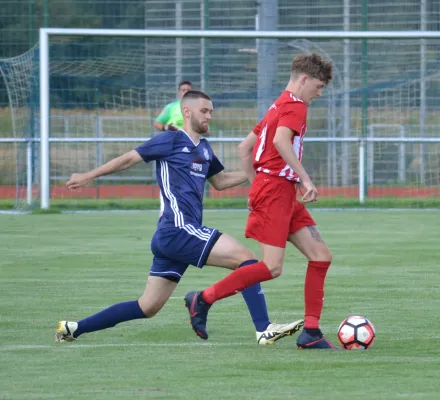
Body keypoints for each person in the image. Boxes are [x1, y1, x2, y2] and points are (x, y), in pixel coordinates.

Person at [55, 90, 303, 345]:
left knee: (148, 307)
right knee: (248, 260)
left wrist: (261, 171)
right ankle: (263, 328)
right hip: (179, 228)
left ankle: (73, 328)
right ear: (187, 112)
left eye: (211, 112)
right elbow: (129, 158)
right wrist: (88, 176)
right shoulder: (170, 140)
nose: (209, 116)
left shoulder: (204, 149)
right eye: (204, 111)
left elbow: (221, 181)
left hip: (172, 237)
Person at [184, 53, 338, 349]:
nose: (319, 94)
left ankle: (311, 332)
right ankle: (202, 299)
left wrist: (259, 188)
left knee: (320, 256)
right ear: (304, 79)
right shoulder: (295, 106)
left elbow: (245, 148)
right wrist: (304, 179)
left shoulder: (277, 104)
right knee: (271, 267)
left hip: (279, 191)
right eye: (318, 87)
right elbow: (281, 141)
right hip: (278, 190)